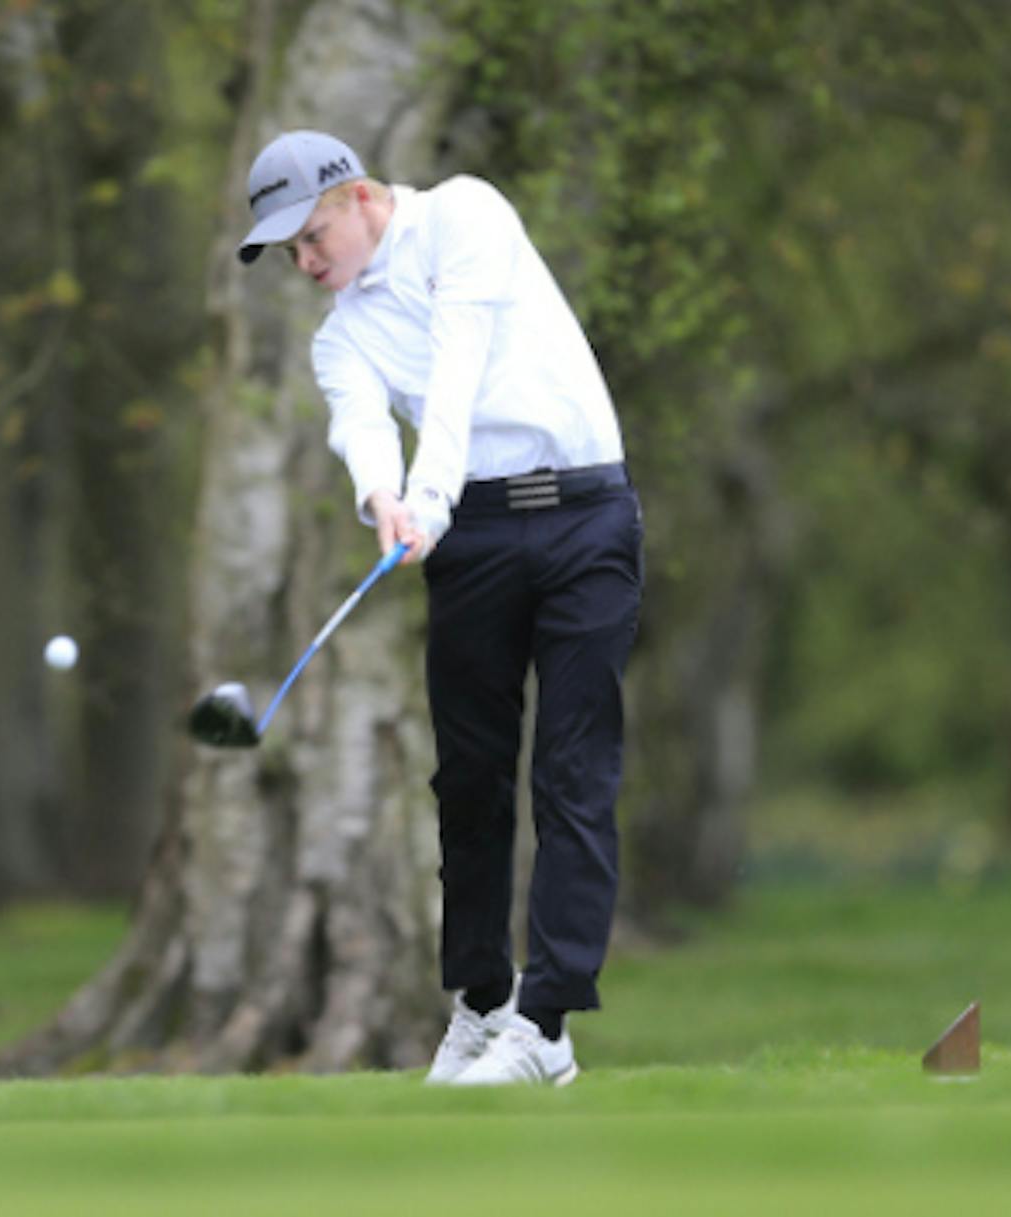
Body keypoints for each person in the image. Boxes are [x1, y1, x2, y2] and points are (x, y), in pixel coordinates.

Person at [235, 130, 644, 1087]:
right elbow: (359, 422)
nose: (303, 260)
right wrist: (385, 497)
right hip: (470, 541)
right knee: (467, 780)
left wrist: (429, 493)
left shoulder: (466, 212)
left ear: (361, 194)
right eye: (287, 251)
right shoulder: (337, 336)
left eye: (309, 234)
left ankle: (545, 1024)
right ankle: (481, 1002)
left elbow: (458, 361)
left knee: (572, 770)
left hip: (585, 514)